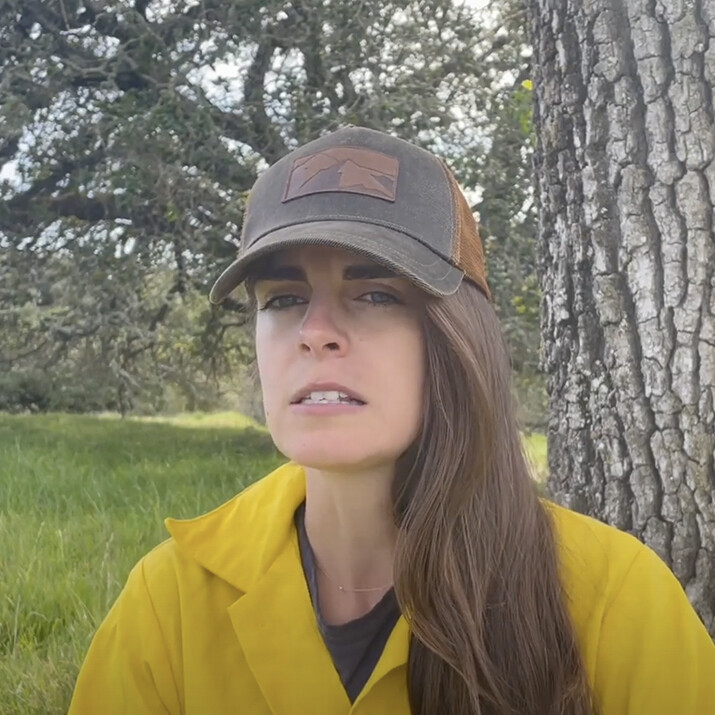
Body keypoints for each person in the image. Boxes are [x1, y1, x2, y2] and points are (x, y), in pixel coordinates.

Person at [68, 126, 715, 715]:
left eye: (376, 293)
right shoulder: (172, 597)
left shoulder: (612, 598)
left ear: (457, 338)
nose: (314, 332)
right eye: (284, 298)